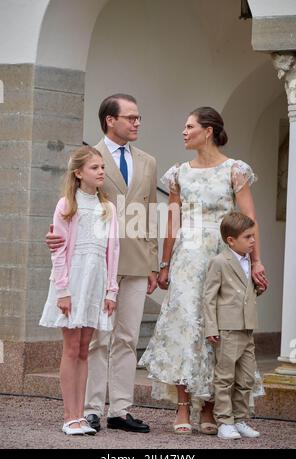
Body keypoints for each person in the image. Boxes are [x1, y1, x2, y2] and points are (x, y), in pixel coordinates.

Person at [139, 106, 267, 435]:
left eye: (189, 126)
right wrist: (164, 264)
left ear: (207, 131)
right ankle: (183, 407)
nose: (183, 132)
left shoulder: (235, 171)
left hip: (224, 257)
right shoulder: (178, 173)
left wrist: (256, 261)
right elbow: (173, 222)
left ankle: (212, 407)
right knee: (186, 327)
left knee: (220, 329)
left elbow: (249, 222)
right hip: (187, 257)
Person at [46, 94, 158, 433]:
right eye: (131, 117)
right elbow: (68, 216)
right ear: (110, 120)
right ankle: (90, 408)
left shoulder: (148, 161)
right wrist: (53, 239)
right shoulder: (89, 159)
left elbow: (152, 213)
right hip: (94, 266)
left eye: (138, 118)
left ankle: (120, 409)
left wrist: (154, 262)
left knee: (126, 337)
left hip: (136, 261)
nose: (137, 123)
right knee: (95, 341)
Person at [40, 146, 119, 435]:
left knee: (85, 350)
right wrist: (63, 289)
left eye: (102, 167)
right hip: (72, 283)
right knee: (71, 348)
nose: (100, 172)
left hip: (96, 283)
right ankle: (69, 415)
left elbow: (114, 251)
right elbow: (58, 251)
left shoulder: (107, 208)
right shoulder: (66, 205)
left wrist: (111, 291)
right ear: (78, 173)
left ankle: (82, 414)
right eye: (94, 167)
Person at [204, 211, 262, 439]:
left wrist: (258, 288)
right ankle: (224, 421)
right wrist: (211, 328)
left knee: (246, 377)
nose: (253, 241)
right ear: (231, 240)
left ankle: (239, 419)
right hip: (227, 328)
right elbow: (209, 297)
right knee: (225, 377)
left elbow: (246, 292)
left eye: (253, 236)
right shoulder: (219, 262)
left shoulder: (250, 262)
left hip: (247, 327)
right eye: (248, 237)